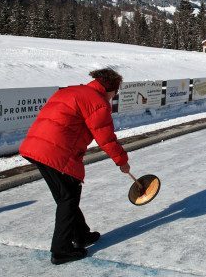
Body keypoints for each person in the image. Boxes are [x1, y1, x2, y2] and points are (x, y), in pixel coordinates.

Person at [19, 68, 130, 265]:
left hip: (35, 146)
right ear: (110, 89)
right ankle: (61, 250)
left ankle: (81, 235)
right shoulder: (98, 102)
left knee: (66, 196)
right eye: (116, 92)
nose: (115, 96)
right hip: (55, 152)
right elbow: (106, 138)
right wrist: (121, 161)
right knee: (68, 199)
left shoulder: (71, 91)